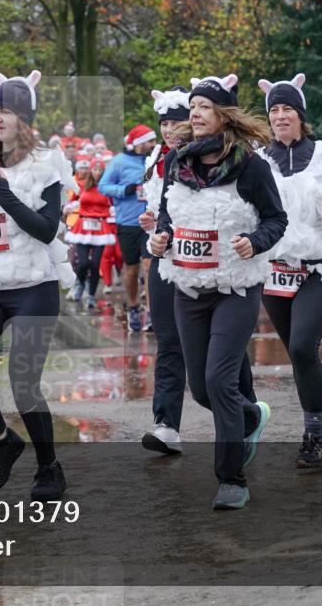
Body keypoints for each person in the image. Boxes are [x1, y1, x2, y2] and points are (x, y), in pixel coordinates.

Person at [149, 74, 287, 510]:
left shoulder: (251, 165)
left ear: (223, 115)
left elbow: (276, 219)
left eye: (204, 106)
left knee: (219, 380)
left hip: (236, 286)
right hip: (189, 286)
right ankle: (250, 415)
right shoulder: (177, 162)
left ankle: (231, 479)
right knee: (201, 389)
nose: (194, 113)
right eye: (192, 106)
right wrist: (161, 237)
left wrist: (256, 241)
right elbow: (169, 216)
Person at [0, 70, 77, 501]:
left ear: (25, 118)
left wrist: (4, 194)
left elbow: (45, 229)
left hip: (33, 287)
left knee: (23, 383)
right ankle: (3, 441)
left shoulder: (46, 164)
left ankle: (49, 466)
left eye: (6, 110)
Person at [255, 74, 322, 467]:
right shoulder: (258, 160)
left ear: (300, 115)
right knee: (299, 355)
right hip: (275, 271)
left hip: (321, 268)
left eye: (287, 109)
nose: (280, 116)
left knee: (302, 347)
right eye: (275, 110)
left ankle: (314, 436)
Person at [137, 86, 191, 454]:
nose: (169, 130)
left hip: (204, 261)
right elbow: (160, 207)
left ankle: (246, 409)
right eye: (164, 123)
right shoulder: (157, 156)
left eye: (175, 122)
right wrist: (152, 221)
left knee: (210, 347)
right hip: (164, 255)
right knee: (168, 340)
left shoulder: (211, 156)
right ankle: (166, 424)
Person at [100, 124, 157, 331]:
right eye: (150, 141)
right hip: (128, 223)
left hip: (150, 222)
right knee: (132, 269)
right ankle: (133, 306)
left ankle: (151, 312)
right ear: (139, 143)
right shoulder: (119, 161)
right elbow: (103, 186)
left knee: (149, 266)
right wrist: (125, 189)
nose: (154, 144)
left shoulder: (154, 159)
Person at [66, 160, 115, 307]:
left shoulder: (107, 188)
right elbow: (73, 201)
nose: (97, 172)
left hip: (100, 228)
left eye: (100, 170)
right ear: (90, 171)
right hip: (83, 227)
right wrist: (69, 208)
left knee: (95, 265)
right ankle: (80, 283)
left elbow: (114, 205)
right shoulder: (82, 186)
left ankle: (91, 295)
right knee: (82, 263)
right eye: (95, 169)